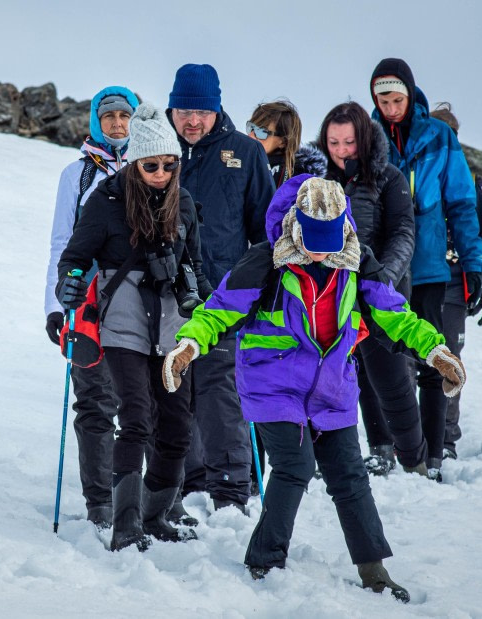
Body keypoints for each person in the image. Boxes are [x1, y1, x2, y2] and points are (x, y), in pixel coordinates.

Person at [162, 177, 466, 602]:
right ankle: (264, 560)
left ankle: (374, 570)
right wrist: (189, 344)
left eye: (328, 241)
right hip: (273, 385)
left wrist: (436, 352)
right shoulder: (265, 261)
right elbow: (219, 311)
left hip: (331, 387)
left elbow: (395, 315)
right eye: (311, 240)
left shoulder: (358, 263)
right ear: (295, 225)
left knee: (350, 475)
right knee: (294, 466)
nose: (319, 252)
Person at [57, 101, 212, 552]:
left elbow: (195, 265)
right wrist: (67, 286)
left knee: (178, 426)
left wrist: (211, 307)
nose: (161, 173)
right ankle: (126, 524)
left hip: (172, 325)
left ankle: (155, 513)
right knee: (137, 420)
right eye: (151, 166)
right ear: (136, 163)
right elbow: (74, 256)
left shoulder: (182, 202)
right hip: (123, 319)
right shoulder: (106, 199)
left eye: (169, 164)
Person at [166, 63, 276, 513]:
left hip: (225, 297)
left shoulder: (245, 154)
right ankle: (190, 482)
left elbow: (266, 233)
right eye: (184, 111)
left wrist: (257, 290)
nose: (192, 120)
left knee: (221, 394)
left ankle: (232, 489)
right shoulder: (159, 154)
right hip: (166, 296)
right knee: (176, 390)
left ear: (217, 110)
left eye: (202, 111)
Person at [370, 58, 482, 479]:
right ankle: (385, 447)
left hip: (432, 267)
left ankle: (435, 453)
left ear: (409, 94)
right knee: (381, 357)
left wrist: (473, 263)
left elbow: (460, 202)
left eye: (397, 98)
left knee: (433, 359)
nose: (390, 107)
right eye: (382, 99)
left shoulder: (439, 137)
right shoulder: (368, 137)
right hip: (383, 267)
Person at [316, 101, 428, 477]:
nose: (342, 150)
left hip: (380, 288)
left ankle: (414, 456)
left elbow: (403, 234)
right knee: (356, 375)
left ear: (363, 139)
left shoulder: (388, 177)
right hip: (332, 293)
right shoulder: (317, 182)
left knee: (391, 376)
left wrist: (384, 277)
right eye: (333, 142)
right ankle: (380, 449)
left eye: (349, 142)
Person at [44, 87, 138, 527]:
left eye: (125, 115)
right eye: (109, 116)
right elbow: (62, 243)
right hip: (87, 300)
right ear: (94, 122)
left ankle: (139, 499)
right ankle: (101, 504)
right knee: (96, 399)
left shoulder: (152, 166)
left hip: (140, 297)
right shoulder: (77, 175)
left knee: (142, 401)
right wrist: (55, 306)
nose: (118, 123)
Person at [246, 99, 328, 485]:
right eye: (252, 126)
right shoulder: (246, 166)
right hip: (251, 278)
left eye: (263, 131)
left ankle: (288, 465)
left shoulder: (304, 185)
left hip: (290, 290)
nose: (253, 136)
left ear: (284, 139)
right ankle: (248, 469)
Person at [429, 102, 482, 461]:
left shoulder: (476, 185)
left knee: (448, 360)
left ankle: (444, 441)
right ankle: (413, 440)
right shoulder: (413, 176)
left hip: (455, 285)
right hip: (416, 281)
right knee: (408, 361)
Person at [246, 99, 306, 188]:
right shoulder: (236, 162)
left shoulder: (299, 184)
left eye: (262, 132)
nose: (251, 135)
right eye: (251, 128)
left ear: (283, 142)